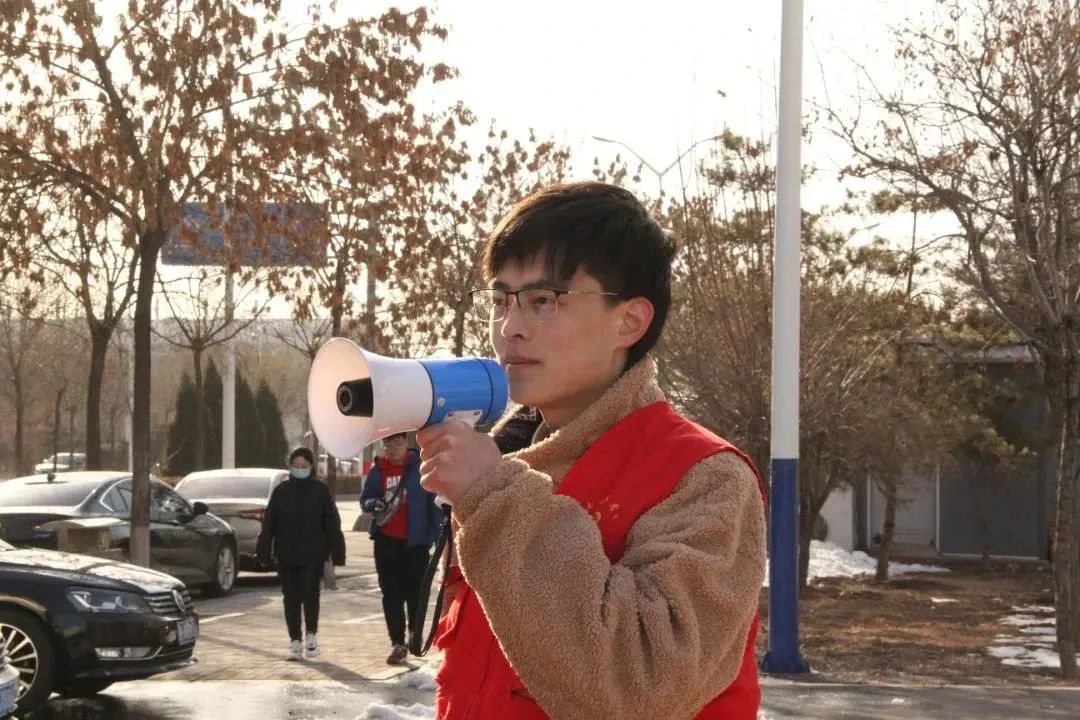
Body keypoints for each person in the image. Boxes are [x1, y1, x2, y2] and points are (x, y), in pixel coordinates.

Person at [415, 182, 767, 720]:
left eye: (543, 301)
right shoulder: (509, 459)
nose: (510, 328)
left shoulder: (705, 477)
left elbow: (639, 684)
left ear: (630, 321)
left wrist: (492, 497)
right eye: (500, 300)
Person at [256, 446, 346, 661]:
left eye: (304, 466)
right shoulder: (281, 491)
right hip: (286, 555)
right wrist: (263, 551)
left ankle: (311, 636)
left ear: (311, 466)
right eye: (296, 466)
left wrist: (337, 551)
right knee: (291, 599)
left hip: (313, 554)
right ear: (290, 467)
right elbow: (269, 523)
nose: (300, 469)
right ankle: (295, 641)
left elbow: (332, 523)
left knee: (310, 594)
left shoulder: (320, 491)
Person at [360, 431, 441, 665]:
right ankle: (397, 642)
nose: (394, 447)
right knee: (391, 593)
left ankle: (415, 635)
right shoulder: (378, 470)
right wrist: (373, 503)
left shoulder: (420, 468)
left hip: (416, 543)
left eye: (398, 442)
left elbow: (434, 505)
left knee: (416, 593)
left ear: (406, 442)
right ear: (384, 446)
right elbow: (365, 500)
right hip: (386, 541)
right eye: (389, 443)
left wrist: (437, 539)